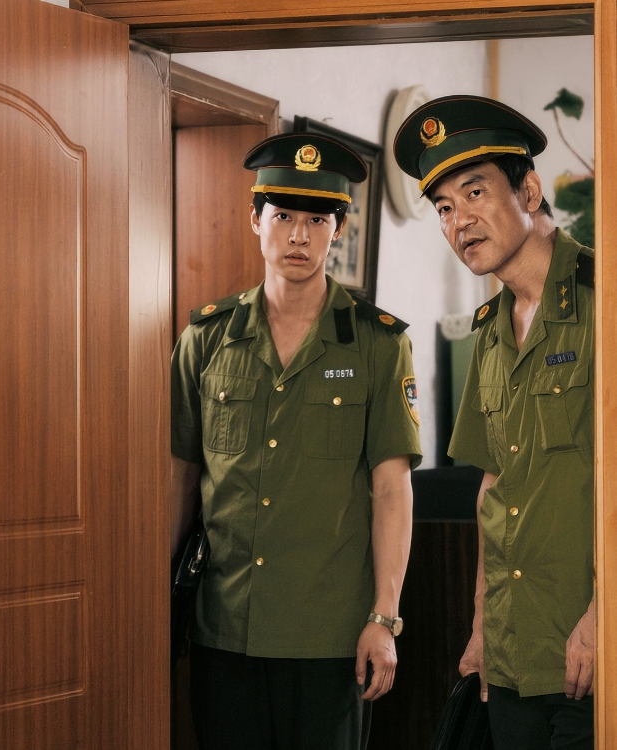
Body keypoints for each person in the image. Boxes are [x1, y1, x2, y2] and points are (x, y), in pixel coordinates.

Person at [170, 132, 422, 750]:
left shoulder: (378, 344)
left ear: (340, 229)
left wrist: (385, 618)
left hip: (330, 637)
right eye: (283, 216)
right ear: (255, 220)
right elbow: (180, 479)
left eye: (317, 220)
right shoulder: (205, 339)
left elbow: (392, 491)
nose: (299, 237)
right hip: (224, 629)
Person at [394, 95, 594, 750]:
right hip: (510, 653)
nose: (459, 221)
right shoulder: (487, 333)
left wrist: (606, 615)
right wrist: (482, 624)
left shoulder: (606, 301)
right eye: (443, 208)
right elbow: (492, 487)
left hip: (592, 651)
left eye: (475, 192)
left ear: (529, 191)